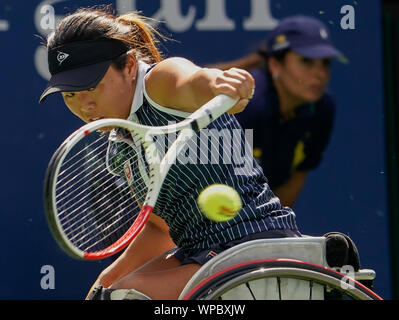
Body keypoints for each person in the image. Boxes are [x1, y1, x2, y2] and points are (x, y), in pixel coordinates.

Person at [39, 7, 301, 300]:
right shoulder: (121, 146)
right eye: (70, 95)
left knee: (124, 297)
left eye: (93, 86)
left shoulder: (159, 83)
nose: (84, 105)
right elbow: (159, 228)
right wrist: (108, 278)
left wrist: (219, 84)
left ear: (128, 65)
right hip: (203, 256)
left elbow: (194, 82)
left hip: (257, 247)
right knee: (108, 292)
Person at [208, 16, 345, 208]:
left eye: (326, 63)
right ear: (275, 65)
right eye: (306, 61)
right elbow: (209, 182)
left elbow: (298, 174)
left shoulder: (322, 110)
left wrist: (274, 228)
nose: (320, 73)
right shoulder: (245, 108)